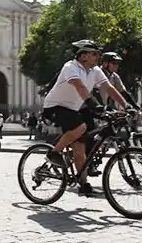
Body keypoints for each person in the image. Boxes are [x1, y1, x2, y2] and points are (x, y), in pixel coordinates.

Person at [42, 39, 132, 195]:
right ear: (83, 55)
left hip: (72, 109)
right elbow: (79, 86)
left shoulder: (95, 70)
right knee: (81, 127)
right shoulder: (70, 67)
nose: (97, 57)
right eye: (94, 54)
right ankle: (54, 153)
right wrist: (93, 105)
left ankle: (82, 184)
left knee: (80, 148)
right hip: (55, 107)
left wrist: (127, 106)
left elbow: (109, 88)